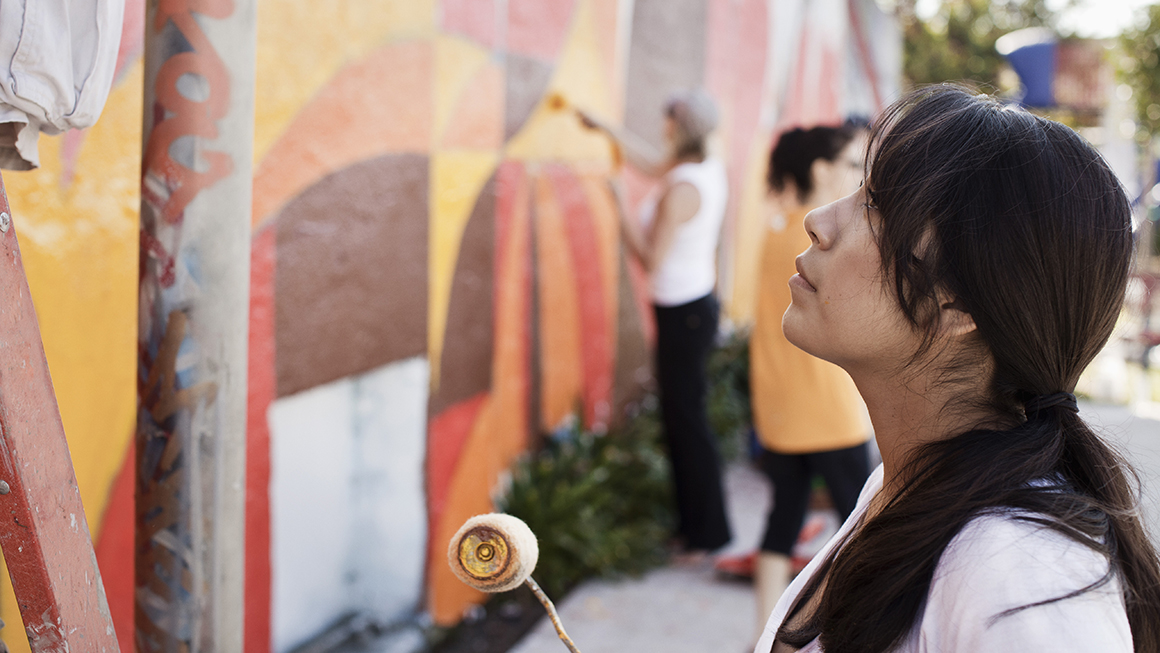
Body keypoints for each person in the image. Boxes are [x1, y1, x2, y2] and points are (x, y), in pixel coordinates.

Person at [758, 84, 1160, 653]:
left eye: (876, 205)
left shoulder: (1022, 571)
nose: (819, 221)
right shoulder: (907, 485)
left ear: (958, 304)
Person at [719, 123, 875, 633]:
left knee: (782, 520)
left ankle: (765, 633)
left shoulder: (774, 231)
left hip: (780, 406)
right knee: (864, 528)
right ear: (821, 170)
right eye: (850, 164)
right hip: (829, 407)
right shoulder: (822, 242)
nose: (858, 176)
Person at [580, 89, 732, 557]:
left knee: (686, 422)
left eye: (668, 122)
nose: (662, 127)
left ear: (679, 129)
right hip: (689, 309)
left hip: (685, 315)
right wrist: (604, 127)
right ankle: (696, 530)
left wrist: (618, 203)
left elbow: (650, 259)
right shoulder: (700, 167)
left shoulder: (682, 189)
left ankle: (706, 535)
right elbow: (649, 163)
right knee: (682, 418)